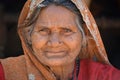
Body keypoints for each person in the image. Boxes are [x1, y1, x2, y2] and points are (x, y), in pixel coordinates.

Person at [0, 0, 120, 80]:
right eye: (43, 30)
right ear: (28, 35)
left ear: (84, 34)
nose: (54, 42)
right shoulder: (6, 73)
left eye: (67, 31)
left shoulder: (104, 77)